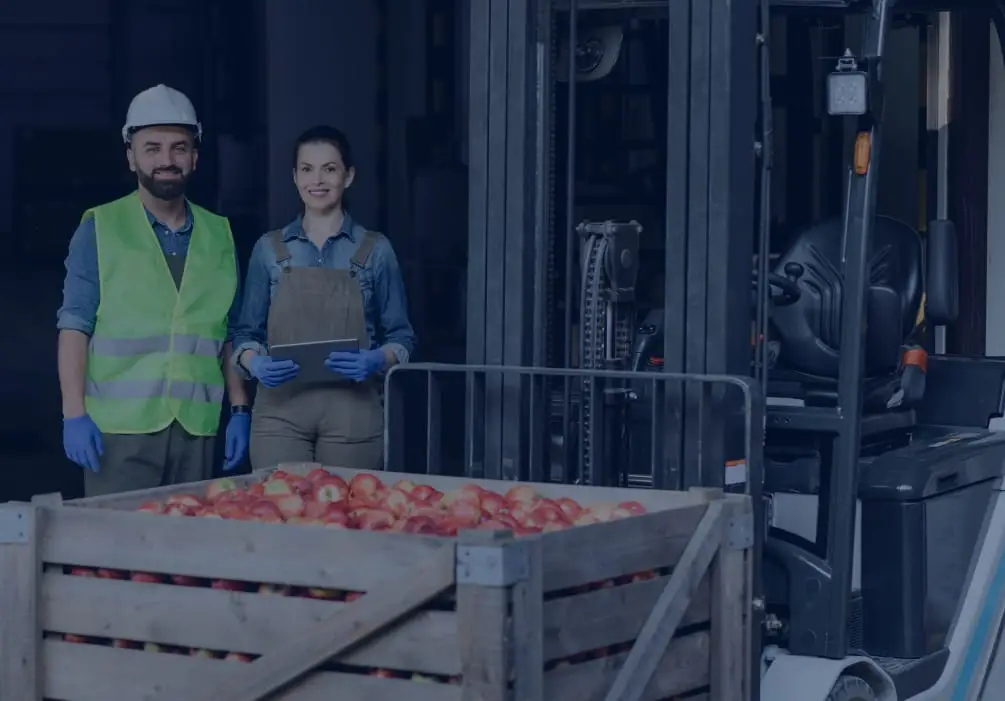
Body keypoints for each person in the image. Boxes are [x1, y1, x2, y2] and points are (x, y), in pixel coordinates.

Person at [56, 84, 251, 496]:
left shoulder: (220, 234)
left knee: (187, 536)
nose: (166, 160)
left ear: (195, 157)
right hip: (118, 434)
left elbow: (229, 331)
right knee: (119, 538)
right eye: (152, 148)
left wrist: (239, 409)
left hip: (197, 429)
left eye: (179, 148)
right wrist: (73, 413)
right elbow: (74, 326)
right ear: (131, 157)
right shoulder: (100, 227)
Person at [232, 125, 417, 471]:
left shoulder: (376, 250)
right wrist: (255, 363)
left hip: (353, 413)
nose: (317, 180)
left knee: (350, 505)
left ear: (348, 176)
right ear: (294, 177)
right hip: (279, 415)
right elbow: (244, 333)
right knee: (278, 504)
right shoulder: (268, 249)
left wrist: (377, 359)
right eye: (307, 169)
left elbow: (402, 337)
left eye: (329, 169)